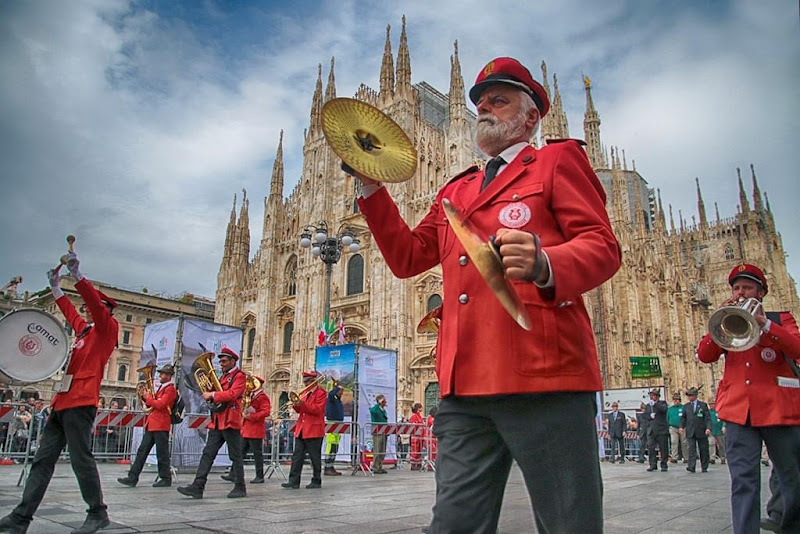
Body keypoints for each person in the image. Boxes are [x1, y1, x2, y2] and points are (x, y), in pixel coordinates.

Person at [352, 56, 621, 533]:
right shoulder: (458, 188)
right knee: (453, 524)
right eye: (480, 102)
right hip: (464, 388)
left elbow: (602, 247)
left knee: (568, 522)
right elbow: (408, 257)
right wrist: (372, 186)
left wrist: (545, 262)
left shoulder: (558, 161)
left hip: (544, 378)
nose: (486, 109)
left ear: (531, 116)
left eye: (499, 100)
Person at [0, 250, 118, 534]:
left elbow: (93, 305)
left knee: (81, 459)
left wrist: (77, 275)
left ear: (104, 309)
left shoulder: (107, 328)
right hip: (62, 402)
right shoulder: (85, 332)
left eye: (92, 307)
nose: (86, 310)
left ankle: (98, 513)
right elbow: (69, 312)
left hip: (81, 402)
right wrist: (55, 286)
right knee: (42, 461)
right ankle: (20, 518)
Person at [697, 263, 800, 534]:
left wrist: (764, 324)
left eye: (747, 287)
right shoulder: (726, 318)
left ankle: (789, 525)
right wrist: (718, 320)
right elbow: (705, 355)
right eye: (736, 288)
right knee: (743, 480)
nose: (741, 292)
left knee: (792, 477)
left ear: (761, 292)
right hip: (738, 411)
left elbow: (797, 347)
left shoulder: (780, 320)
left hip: (778, 409)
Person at [177, 347, 247, 499]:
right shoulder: (221, 376)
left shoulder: (239, 376)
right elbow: (213, 392)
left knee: (235, 456)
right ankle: (198, 486)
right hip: (217, 421)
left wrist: (213, 394)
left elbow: (233, 394)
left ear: (232, 361)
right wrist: (207, 390)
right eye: (220, 361)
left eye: (224, 361)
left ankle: (240, 487)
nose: (220, 364)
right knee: (207, 454)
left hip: (229, 420)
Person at [117, 364, 177, 488]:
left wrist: (147, 397)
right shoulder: (161, 388)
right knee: (142, 452)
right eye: (161, 373)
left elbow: (160, 405)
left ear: (169, 376)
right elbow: (153, 403)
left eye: (163, 374)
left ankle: (166, 478)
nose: (160, 375)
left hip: (160, 424)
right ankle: (132, 477)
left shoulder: (170, 389)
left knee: (162, 454)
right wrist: (145, 398)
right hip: (152, 424)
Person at [281, 371, 327, 489]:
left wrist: (302, 404)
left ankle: (316, 480)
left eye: (307, 382)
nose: (305, 384)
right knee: (297, 456)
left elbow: (317, 409)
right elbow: (299, 410)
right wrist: (296, 404)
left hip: (314, 429)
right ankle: (293, 481)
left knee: (314, 457)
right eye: (304, 382)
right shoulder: (305, 393)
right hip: (302, 429)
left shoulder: (321, 393)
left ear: (313, 382)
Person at [239, 376, 270, 484]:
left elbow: (266, 412)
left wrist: (252, 416)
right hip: (246, 428)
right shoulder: (249, 395)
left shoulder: (263, 397)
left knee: (257, 454)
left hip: (255, 429)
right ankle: (233, 473)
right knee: (240, 452)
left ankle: (260, 476)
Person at [679, 387, 712, 473]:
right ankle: (691, 466)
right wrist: (681, 427)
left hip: (701, 430)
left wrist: (708, 428)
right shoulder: (686, 406)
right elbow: (683, 418)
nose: (689, 397)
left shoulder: (702, 405)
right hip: (690, 430)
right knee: (691, 449)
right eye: (688, 396)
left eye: (691, 395)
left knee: (703, 449)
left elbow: (707, 418)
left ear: (695, 396)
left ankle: (704, 466)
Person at [644, 389, 669, 473]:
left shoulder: (662, 403)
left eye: (653, 395)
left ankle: (664, 464)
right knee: (651, 448)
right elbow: (645, 416)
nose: (652, 397)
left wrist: (656, 404)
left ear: (657, 396)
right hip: (651, 430)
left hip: (661, 429)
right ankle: (652, 464)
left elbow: (664, 409)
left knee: (663, 448)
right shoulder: (648, 406)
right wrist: (650, 416)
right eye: (651, 395)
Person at [324, 382, 344, 476]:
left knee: (335, 447)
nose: (342, 393)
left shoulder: (338, 400)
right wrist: (336, 387)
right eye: (341, 391)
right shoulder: (331, 398)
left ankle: (331, 466)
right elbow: (330, 394)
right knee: (330, 446)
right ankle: (327, 466)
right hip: (332, 423)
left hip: (337, 424)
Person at [370, 394, 389, 474]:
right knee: (377, 449)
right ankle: (375, 466)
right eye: (384, 400)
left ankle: (380, 466)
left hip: (384, 432)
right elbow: (372, 411)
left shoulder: (383, 410)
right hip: (377, 432)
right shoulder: (376, 409)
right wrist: (378, 403)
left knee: (382, 450)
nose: (385, 402)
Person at [666, 392, 687, 463]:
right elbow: (667, 418)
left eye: (677, 400)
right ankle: (674, 457)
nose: (675, 401)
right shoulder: (670, 409)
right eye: (674, 400)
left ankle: (686, 457)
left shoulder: (683, 408)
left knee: (684, 442)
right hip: (673, 427)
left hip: (683, 427)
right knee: (674, 442)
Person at [708, 400, 726, 465]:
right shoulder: (708, 412)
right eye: (710, 404)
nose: (711, 405)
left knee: (721, 445)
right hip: (712, 430)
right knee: (711, 443)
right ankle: (712, 458)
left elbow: (724, 419)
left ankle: (722, 457)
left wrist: (724, 426)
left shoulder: (719, 410)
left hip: (719, 430)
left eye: (712, 404)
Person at [409, 402, 425, 470]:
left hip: (420, 436)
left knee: (419, 450)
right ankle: (413, 464)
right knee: (415, 450)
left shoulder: (419, 416)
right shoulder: (414, 416)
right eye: (420, 407)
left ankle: (418, 464)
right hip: (415, 436)